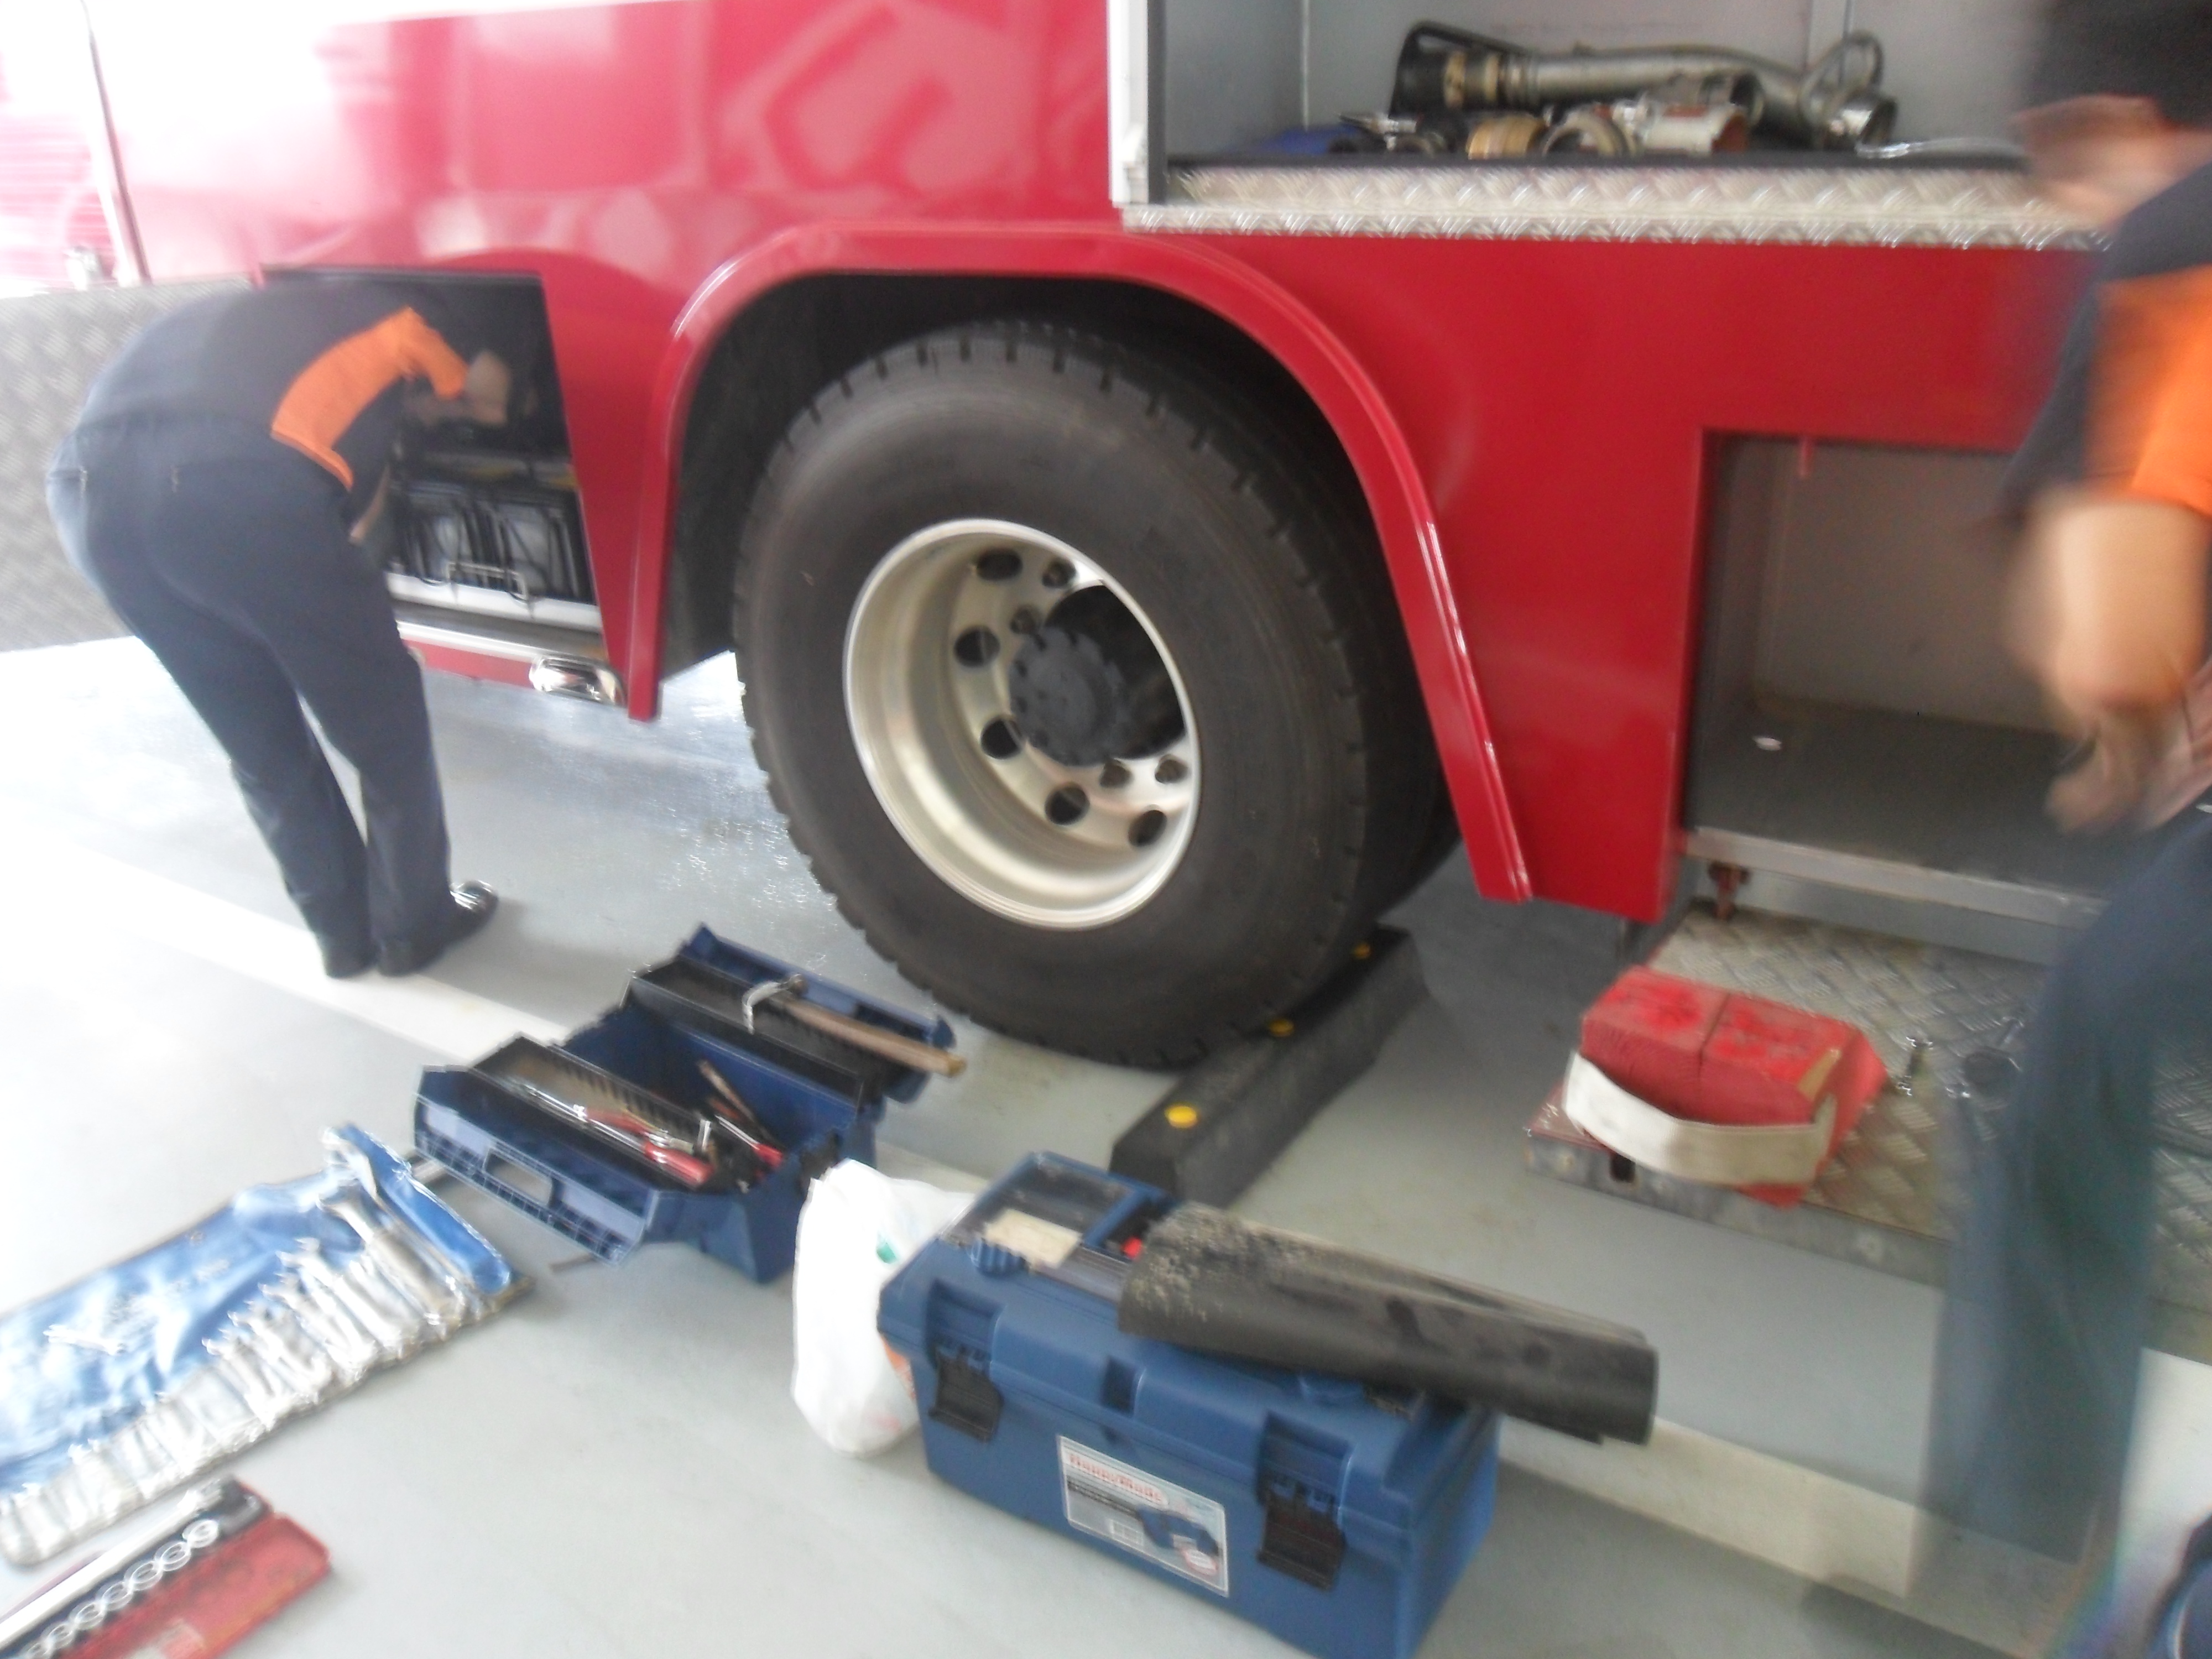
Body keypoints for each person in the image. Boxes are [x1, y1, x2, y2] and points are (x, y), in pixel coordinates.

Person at [1919, 2, 2212, 1651]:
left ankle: (2021, 1550)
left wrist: (2117, 722)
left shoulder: (2172, 244)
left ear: (2117, 114)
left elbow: (2106, 641)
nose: (2068, 207)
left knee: (2080, 1044)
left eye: (2065, 162)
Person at [45, 279, 510, 978]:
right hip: (225, 485)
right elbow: (493, 398)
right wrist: (432, 408)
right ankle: (413, 927)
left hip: (87, 495)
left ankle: (343, 935)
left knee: (258, 738)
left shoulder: (257, 317)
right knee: (383, 719)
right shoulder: (410, 318)